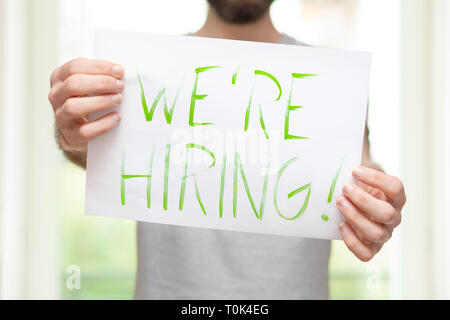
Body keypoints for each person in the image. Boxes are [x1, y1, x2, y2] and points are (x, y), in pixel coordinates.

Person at [48, 0, 406, 299]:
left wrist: (374, 202)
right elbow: (97, 152)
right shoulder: (143, 73)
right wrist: (72, 135)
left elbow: (361, 167)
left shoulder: (333, 82)